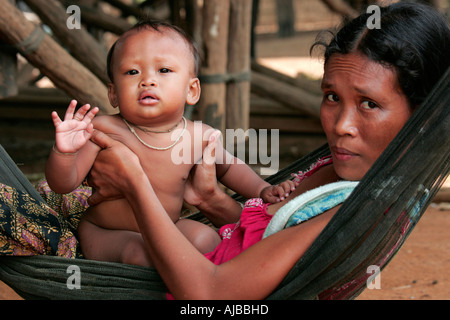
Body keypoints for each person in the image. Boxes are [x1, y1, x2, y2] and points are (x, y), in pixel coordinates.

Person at [85, 2, 450, 299]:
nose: (340, 125)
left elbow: (210, 295)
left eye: (369, 103)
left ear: (423, 116)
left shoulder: (367, 207)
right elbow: (263, 243)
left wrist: (136, 184)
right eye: (332, 97)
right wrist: (211, 199)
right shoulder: (343, 167)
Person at [45, 21, 295, 266]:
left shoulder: (198, 136)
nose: (147, 80)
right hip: (107, 232)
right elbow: (63, 184)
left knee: (207, 239)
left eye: (163, 70)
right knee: (140, 253)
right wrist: (64, 152)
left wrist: (262, 190)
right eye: (133, 72)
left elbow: (230, 167)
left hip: (168, 228)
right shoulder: (104, 130)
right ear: (113, 93)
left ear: (192, 90)